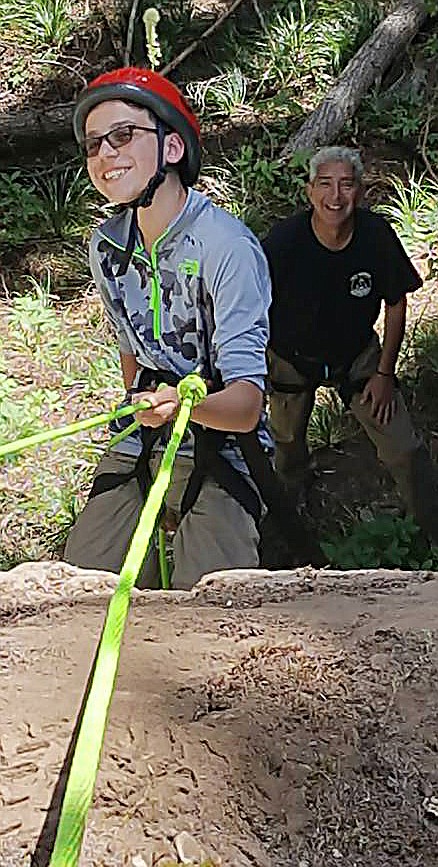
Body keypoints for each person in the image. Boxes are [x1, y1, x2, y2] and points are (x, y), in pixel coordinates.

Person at [63, 65, 278, 589]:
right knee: (80, 591)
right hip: (144, 434)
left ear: (173, 148)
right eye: (94, 145)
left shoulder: (227, 248)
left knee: (208, 609)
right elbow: (130, 350)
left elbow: (247, 406)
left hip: (223, 443)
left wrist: (181, 406)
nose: (105, 155)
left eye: (122, 135)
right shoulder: (107, 246)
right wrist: (146, 406)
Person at [263, 145, 438, 543]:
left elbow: (396, 302)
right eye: (325, 184)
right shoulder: (284, 241)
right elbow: (251, 303)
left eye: (345, 185)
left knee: (404, 446)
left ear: (359, 192)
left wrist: (385, 373)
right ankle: (286, 533)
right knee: (285, 446)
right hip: (290, 357)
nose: (335, 196)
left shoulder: (375, 236)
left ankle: (429, 535)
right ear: (310, 191)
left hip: (357, 357)